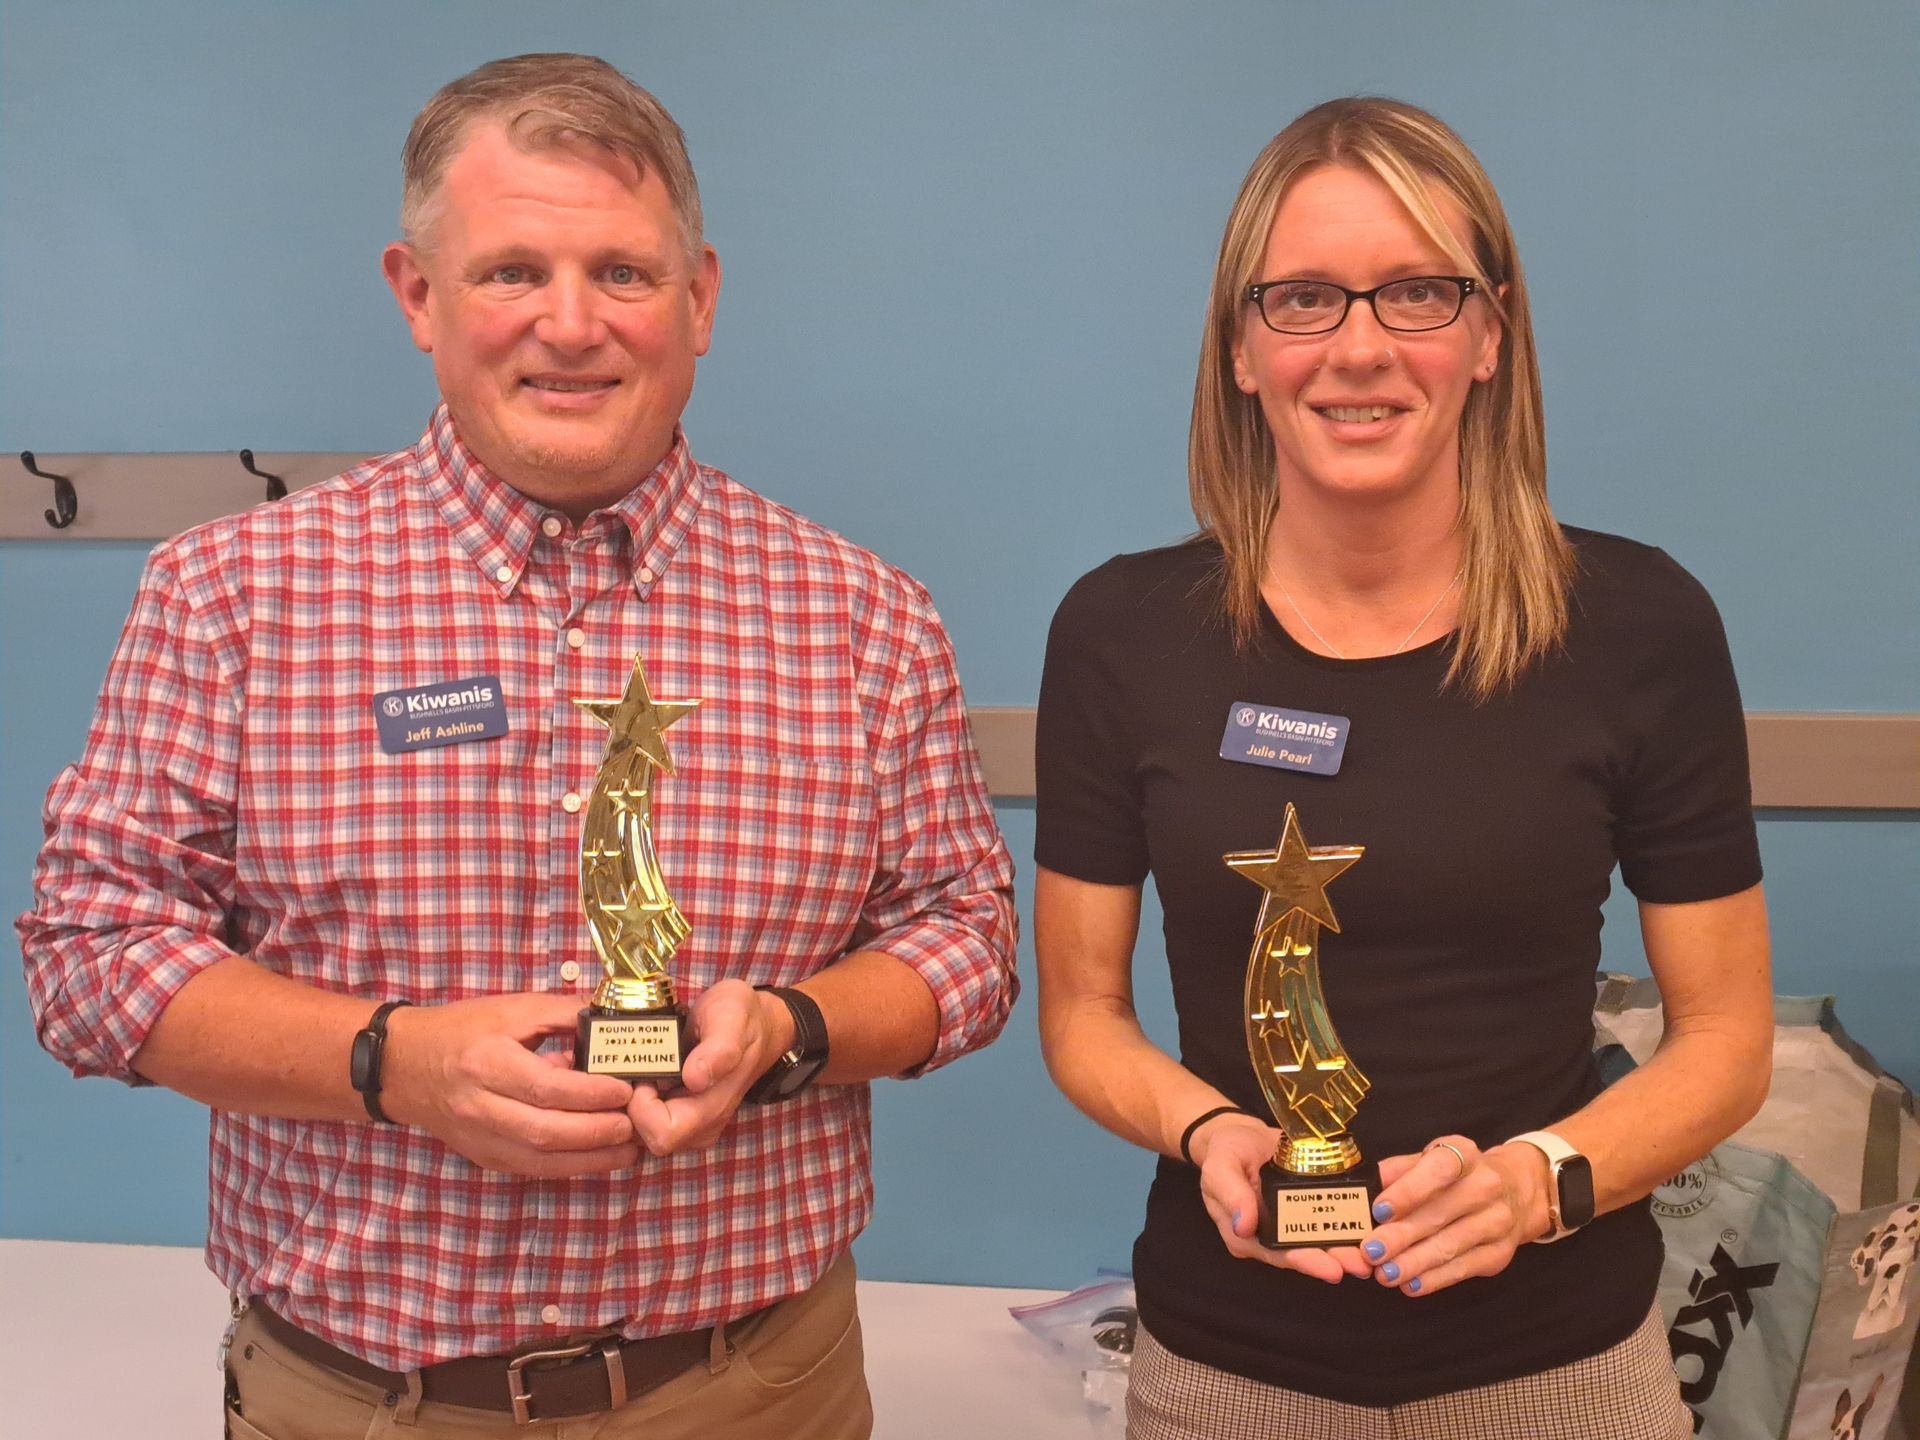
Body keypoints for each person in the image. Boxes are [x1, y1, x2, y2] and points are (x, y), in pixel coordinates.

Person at [18, 52, 1016, 1439]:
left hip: (756, 1394)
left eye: (622, 272)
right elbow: (89, 958)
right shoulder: (234, 597)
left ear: (700, 298)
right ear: (417, 295)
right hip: (363, 1404)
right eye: (508, 273)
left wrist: (790, 1033)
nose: (571, 324)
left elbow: (966, 933)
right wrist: (394, 1063)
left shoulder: (863, 617)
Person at [1034, 97, 1771, 1439]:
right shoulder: (1119, 632)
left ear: (1491, 333)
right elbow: (1082, 1016)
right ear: (1242, 347)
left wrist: (1544, 1180)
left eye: (1417, 293)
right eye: (1305, 299)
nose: (1359, 349)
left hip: (1562, 1373)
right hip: (1225, 1376)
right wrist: (1209, 1133)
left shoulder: (1641, 624)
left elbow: (1726, 1041)